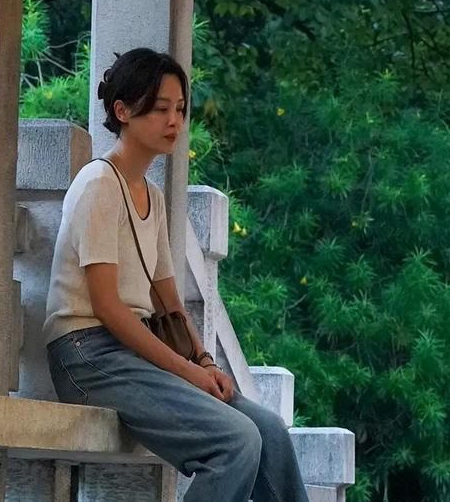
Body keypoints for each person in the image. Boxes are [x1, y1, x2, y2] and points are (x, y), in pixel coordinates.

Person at [43, 48, 309, 502]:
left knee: (269, 431)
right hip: (87, 355)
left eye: (181, 109)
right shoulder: (98, 184)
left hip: (135, 350)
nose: (174, 121)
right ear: (123, 111)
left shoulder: (153, 196)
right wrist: (187, 370)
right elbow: (107, 307)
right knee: (235, 441)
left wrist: (205, 363)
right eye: (160, 108)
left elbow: (168, 302)